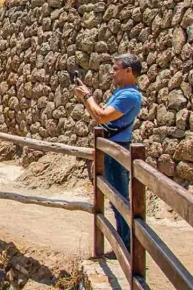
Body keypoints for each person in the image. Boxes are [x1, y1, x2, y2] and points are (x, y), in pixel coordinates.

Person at [73, 53, 143, 253]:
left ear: (128, 71)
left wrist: (86, 96)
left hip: (116, 150)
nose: (112, 73)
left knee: (119, 198)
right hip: (113, 148)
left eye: (116, 69)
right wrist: (86, 97)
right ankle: (125, 242)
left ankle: (127, 245)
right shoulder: (122, 92)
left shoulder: (129, 95)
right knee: (115, 197)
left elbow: (102, 117)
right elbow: (100, 115)